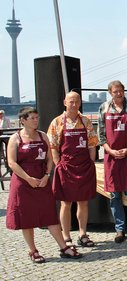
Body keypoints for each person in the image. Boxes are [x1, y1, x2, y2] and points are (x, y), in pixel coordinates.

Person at [6, 107, 82, 263]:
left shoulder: (43, 136)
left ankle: (64, 247)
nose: (36, 120)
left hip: (42, 181)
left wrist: (47, 175)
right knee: (26, 217)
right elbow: (12, 163)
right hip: (23, 183)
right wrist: (28, 178)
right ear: (23, 120)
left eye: (36, 117)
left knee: (49, 214)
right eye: (32, 118)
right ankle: (33, 251)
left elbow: (48, 158)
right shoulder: (15, 138)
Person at [48, 91, 97, 248]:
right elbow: (53, 147)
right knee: (66, 203)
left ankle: (82, 234)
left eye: (76, 101)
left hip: (84, 167)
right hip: (66, 167)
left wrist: (91, 162)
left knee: (83, 202)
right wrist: (58, 164)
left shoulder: (85, 121)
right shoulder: (57, 122)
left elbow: (92, 144)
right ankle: (66, 235)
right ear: (65, 102)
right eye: (71, 101)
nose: (74, 104)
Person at [97, 80, 127, 243]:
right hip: (111, 157)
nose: (119, 93)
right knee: (114, 195)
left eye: (121, 90)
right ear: (110, 92)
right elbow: (101, 135)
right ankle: (119, 229)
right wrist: (110, 151)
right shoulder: (103, 108)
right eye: (116, 91)